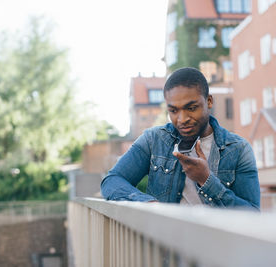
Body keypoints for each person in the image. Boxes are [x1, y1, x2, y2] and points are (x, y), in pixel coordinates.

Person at [101, 67, 260, 210]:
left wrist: (206, 180)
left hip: (216, 242)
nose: (182, 119)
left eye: (191, 108)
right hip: (166, 241)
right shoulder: (154, 140)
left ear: (209, 101)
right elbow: (112, 181)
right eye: (174, 111)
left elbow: (252, 215)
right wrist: (149, 205)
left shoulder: (238, 149)